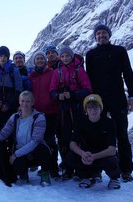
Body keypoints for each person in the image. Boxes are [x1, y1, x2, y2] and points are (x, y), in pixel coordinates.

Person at [86, 24, 133, 182]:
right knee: (98, 135)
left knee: (122, 134)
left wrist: (132, 95)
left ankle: (126, 169)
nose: (101, 36)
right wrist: (91, 100)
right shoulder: (91, 54)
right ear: (95, 37)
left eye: (104, 33)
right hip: (99, 101)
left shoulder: (119, 51)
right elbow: (90, 78)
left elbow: (128, 73)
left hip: (118, 99)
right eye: (98, 33)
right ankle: (96, 170)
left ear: (109, 35)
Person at [49, 46, 92, 179]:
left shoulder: (79, 70)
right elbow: (52, 90)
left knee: (80, 136)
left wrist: (72, 94)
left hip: (77, 108)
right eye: (63, 56)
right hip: (64, 110)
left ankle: (82, 168)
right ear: (60, 58)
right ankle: (68, 167)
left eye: (67, 56)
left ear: (72, 56)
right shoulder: (57, 72)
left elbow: (87, 89)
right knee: (65, 138)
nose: (65, 58)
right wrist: (58, 96)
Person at [0, 91, 52, 186]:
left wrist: (16, 154)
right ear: (19, 102)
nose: (25, 104)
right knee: (16, 163)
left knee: (44, 151)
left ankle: (45, 173)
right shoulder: (14, 117)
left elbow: (34, 142)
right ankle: (23, 174)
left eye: (28, 101)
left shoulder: (39, 118)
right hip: (21, 151)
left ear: (33, 102)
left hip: (36, 151)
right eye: (22, 101)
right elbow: (3, 134)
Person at [69, 94, 121, 190]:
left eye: (95, 107)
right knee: (72, 157)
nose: (93, 110)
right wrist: (82, 154)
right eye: (89, 107)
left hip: (103, 154)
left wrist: (93, 156)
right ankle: (88, 176)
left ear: (100, 108)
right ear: (86, 109)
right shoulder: (80, 121)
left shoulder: (109, 123)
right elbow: (72, 143)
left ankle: (114, 178)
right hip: (87, 153)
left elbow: (112, 150)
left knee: (112, 160)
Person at [28, 51, 60, 178]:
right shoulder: (32, 76)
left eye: (42, 58)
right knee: (38, 141)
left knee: (50, 141)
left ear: (45, 61)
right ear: (34, 61)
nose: (40, 60)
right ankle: (44, 167)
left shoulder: (52, 73)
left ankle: (53, 169)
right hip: (36, 114)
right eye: (37, 59)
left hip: (51, 112)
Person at [0, 46, 22, 133]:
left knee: (12, 132)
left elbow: (19, 90)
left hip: (12, 108)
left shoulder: (14, 71)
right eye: (1, 56)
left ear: (8, 57)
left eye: (5, 56)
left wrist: (9, 104)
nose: (3, 58)